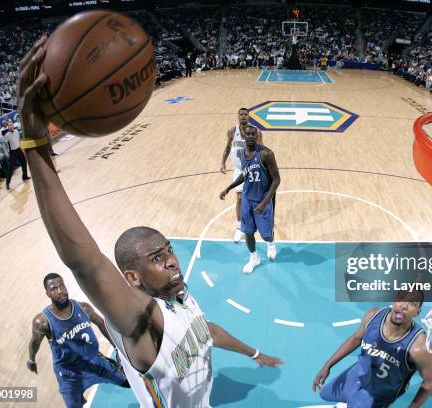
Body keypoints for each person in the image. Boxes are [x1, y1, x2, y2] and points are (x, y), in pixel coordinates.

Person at [18, 36, 282, 408]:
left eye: (169, 251)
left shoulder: (178, 295)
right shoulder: (141, 319)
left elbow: (205, 333)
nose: (172, 260)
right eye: (156, 258)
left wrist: (254, 354)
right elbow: (85, 262)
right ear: (132, 278)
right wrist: (34, 145)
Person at [312, 290, 432, 407]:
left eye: (412, 304)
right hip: (356, 375)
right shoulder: (373, 316)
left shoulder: (419, 346)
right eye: (401, 299)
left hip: (378, 392)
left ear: (417, 312)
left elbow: (429, 382)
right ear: (393, 302)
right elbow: (356, 338)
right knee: (325, 393)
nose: (404, 306)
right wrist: (328, 365)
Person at [27, 273, 129, 408]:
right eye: (54, 289)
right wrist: (31, 360)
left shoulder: (83, 308)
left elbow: (102, 324)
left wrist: (117, 349)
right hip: (69, 375)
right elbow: (34, 343)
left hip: (94, 361)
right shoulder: (42, 322)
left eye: (61, 285)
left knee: (129, 381)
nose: (60, 291)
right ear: (47, 294)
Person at [220, 125, 281, 273]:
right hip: (247, 199)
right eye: (249, 134)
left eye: (254, 134)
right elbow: (245, 174)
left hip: (262, 200)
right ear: (244, 136)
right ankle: (254, 259)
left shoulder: (266, 154)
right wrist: (229, 187)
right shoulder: (241, 153)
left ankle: (271, 243)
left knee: (266, 235)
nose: (252, 136)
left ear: (256, 135)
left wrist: (265, 202)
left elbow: (277, 180)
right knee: (247, 232)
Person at [220, 108, 263, 243]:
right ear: (238, 116)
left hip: (252, 168)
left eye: (245, 114)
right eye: (241, 114)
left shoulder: (256, 132)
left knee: (253, 198)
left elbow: (261, 149)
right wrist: (223, 162)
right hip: (238, 169)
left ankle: (256, 223)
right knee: (239, 198)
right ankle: (240, 227)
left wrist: (262, 167)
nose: (243, 116)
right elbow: (227, 147)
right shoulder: (232, 131)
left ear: (249, 117)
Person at [2, 120, 30, 189]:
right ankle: (7, 183)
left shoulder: (17, 131)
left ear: (13, 126)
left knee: (24, 162)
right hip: (12, 152)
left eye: (11, 125)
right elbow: (3, 144)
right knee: (10, 168)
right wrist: (6, 152)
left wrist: (22, 145)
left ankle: (25, 176)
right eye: (9, 126)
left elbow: (19, 139)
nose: (10, 126)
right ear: (8, 127)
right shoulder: (7, 135)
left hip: (19, 149)